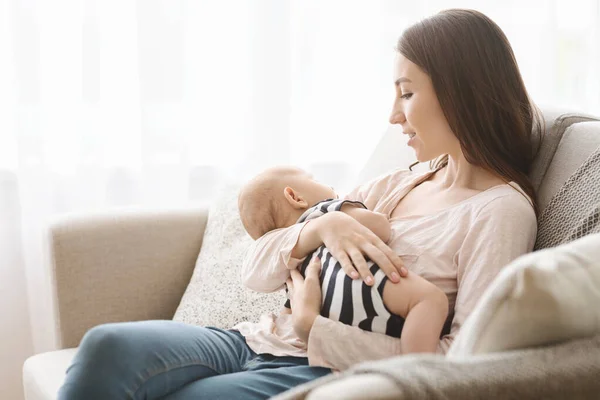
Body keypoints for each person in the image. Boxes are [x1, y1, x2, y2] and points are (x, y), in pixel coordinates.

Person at [58, 9, 540, 399]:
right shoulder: (401, 182)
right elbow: (258, 270)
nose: (393, 115)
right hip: (256, 337)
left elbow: (464, 364)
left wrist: (314, 327)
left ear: (461, 94)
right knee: (107, 344)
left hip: (320, 367)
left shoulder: (498, 213)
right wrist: (318, 230)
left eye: (407, 94)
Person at [237, 166, 449, 353]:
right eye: (314, 180)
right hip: (364, 283)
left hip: (334, 316)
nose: (325, 183)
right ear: (295, 197)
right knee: (430, 300)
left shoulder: (297, 262)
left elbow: (289, 312)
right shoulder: (326, 210)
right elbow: (380, 228)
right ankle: (416, 372)